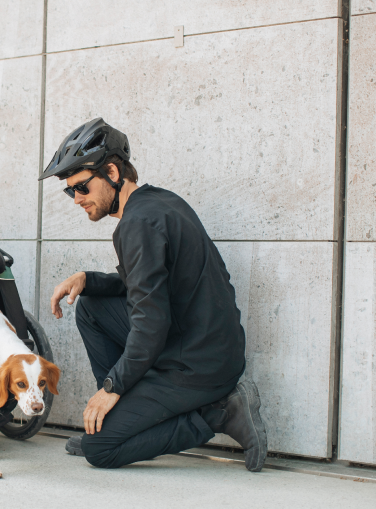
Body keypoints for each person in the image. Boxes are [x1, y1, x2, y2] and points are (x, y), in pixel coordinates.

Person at [43, 118, 268, 472]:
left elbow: (151, 321)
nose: (77, 199)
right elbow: (145, 286)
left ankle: (219, 413)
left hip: (196, 365)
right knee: (91, 306)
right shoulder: (155, 203)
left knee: (99, 451)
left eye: (82, 187)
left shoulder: (138, 224)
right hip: (200, 343)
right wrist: (87, 279)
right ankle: (112, 421)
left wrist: (112, 386)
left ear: (112, 172)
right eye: (70, 191)